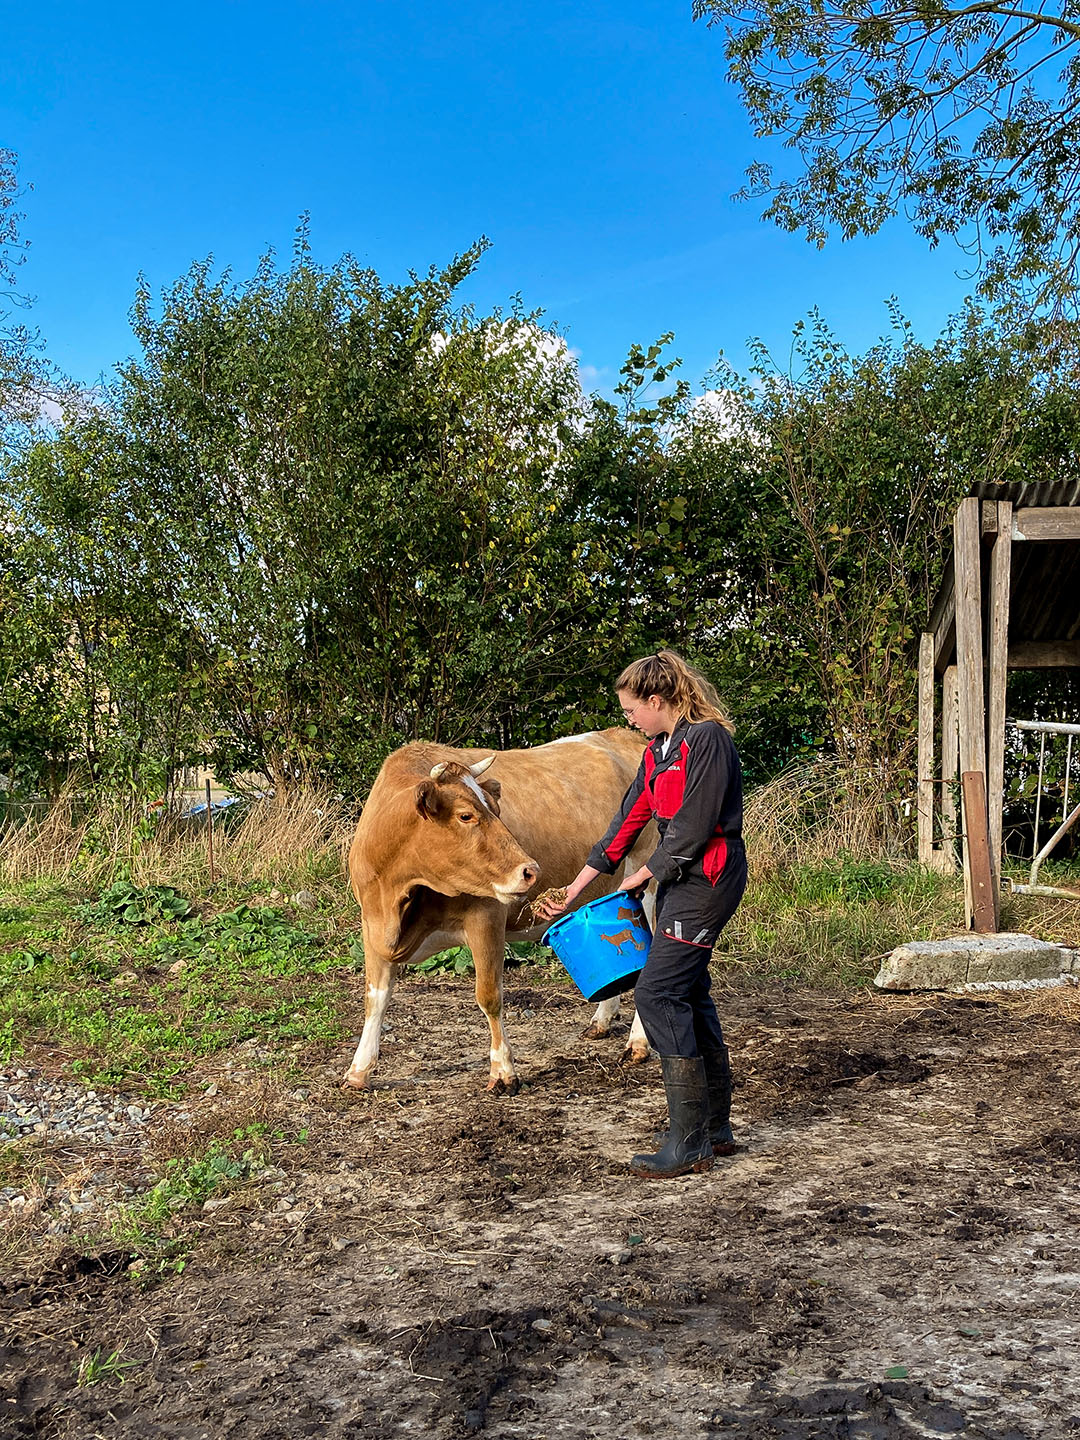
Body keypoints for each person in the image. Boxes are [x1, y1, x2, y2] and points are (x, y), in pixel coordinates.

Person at [540, 649, 746, 1179]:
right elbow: (624, 825)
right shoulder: (658, 750)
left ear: (658, 700)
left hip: (709, 880)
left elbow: (694, 828)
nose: (628, 719)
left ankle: (689, 1141)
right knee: (688, 989)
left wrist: (641, 876)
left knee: (657, 993)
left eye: (633, 709)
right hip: (679, 882)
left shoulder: (709, 741)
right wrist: (575, 890)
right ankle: (713, 1128)